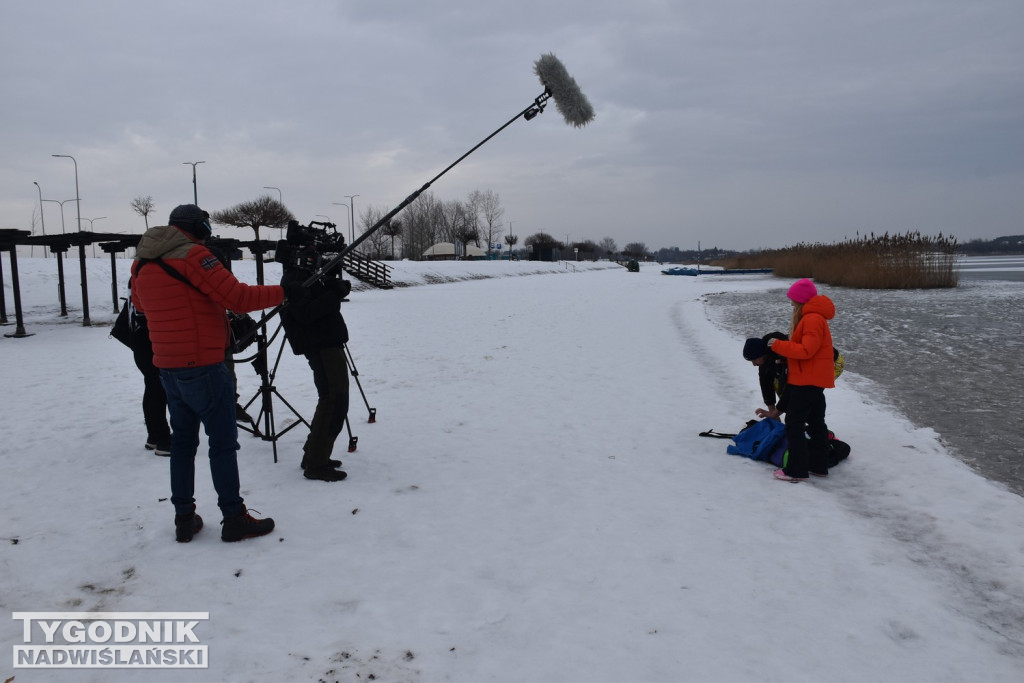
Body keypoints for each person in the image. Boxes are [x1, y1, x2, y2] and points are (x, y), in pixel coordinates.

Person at [131, 204, 297, 542]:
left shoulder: (142, 262)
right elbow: (238, 298)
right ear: (197, 226)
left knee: (182, 445)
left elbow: (141, 306)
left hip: (167, 368)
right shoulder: (195, 256)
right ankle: (234, 517)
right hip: (205, 366)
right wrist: (286, 291)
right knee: (222, 445)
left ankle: (184, 518)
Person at [279, 252, 352, 483]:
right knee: (333, 401)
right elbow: (305, 313)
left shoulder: (307, 276)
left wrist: (332, 282)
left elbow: (316, 300)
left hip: (328, 345)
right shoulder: (294, 278)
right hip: (322, 348)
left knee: (333, 400)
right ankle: (316, 463)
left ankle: (314, 454)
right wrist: (335, 294)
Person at [765, 278, 836, 482]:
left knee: (794, 424)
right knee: (815, 423)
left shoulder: (812, 319)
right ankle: (818, 465)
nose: (791, 305)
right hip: (813, 380)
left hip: (807, 381)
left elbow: (806, 350)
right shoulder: (813, 317)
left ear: (801, 301)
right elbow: (808, 351)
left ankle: (796, 470)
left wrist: (778, 345)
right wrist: (785, 355)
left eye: (793, 301)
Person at [743, 332, 845, 420]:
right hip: (809, 364)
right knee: (785, 390)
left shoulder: (785, 353)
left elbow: (793, 388)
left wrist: (775, 413)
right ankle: (807, 423)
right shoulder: (767, 355)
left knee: (804, 394)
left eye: (754, 360)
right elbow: (765, 381)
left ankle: (815, 426)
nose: (753, 364)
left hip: (832, 363)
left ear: (762, 354)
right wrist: (773, 412)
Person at [128, 295, 171, 456]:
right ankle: (163, 440)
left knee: (152, 387)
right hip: (150, 339)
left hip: (140, 337)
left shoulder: (137, 273)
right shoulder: (147, 273)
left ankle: (154, 436)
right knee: (157, 389)